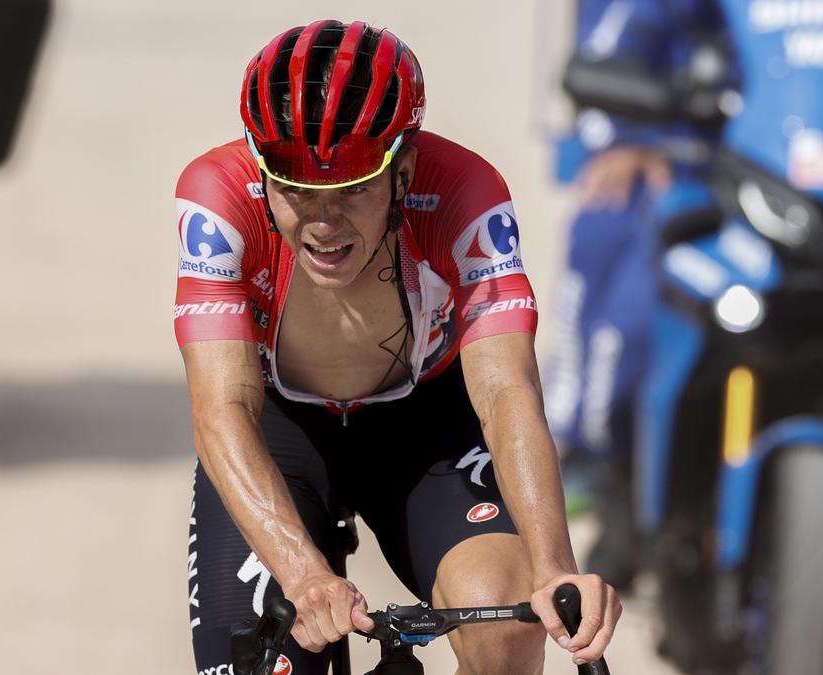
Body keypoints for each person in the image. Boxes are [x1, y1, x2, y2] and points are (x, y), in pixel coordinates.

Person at [177, 20, 621, 675]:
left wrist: (555, 567)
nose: (324, 222)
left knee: (507, 620)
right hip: (281, 430)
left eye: (353, 188)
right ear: (261, 168)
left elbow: (506, 391)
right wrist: (303, 574)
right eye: (297, 189)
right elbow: (223, 407)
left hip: (423, 428)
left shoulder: (466, 191)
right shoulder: (217, 195)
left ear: (404, 169)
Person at [543, 0, 724, 590]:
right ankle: (612, 476)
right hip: (674, 157)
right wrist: (627, 140)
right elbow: (612, 52)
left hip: (804, 167)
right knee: (622, 276)